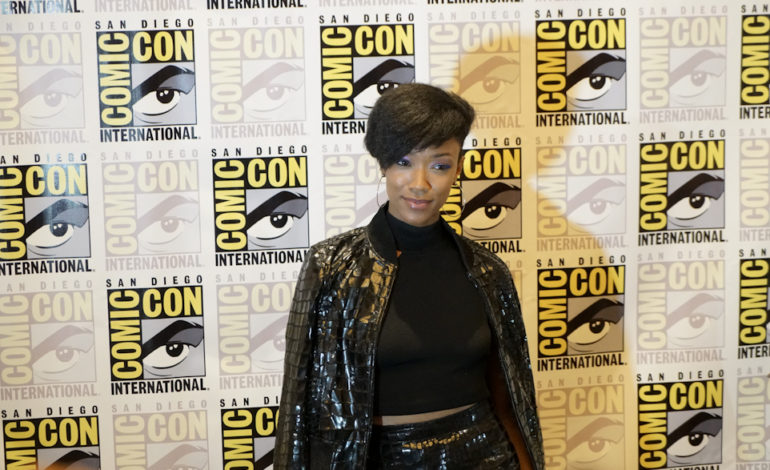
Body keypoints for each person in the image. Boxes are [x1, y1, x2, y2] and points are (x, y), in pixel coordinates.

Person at [275, 83, 544, 469]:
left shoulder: (487, 271)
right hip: (379, 458)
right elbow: (297, 407)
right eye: (404, 161)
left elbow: (511, 399)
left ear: (458, 168)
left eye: (439, 165)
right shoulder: (332, 266)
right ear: (383, 164)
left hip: (484, 453)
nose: (420, 183)